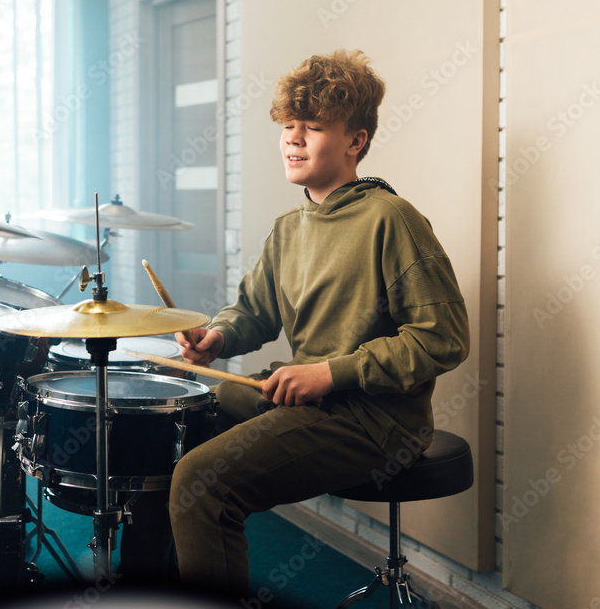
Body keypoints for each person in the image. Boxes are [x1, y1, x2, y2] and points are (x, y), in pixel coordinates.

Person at [166, 49, 470, 599]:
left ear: (356, 141)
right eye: (288, 126)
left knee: (201, 481)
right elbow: (253, 311)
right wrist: (217, 336)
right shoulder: (289, 228)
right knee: (170, 421)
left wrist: (330, 373)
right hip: (309, 401)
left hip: (374, 420)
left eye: (313, 127)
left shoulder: (391, 219)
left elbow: (442, 339)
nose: (293, 139)